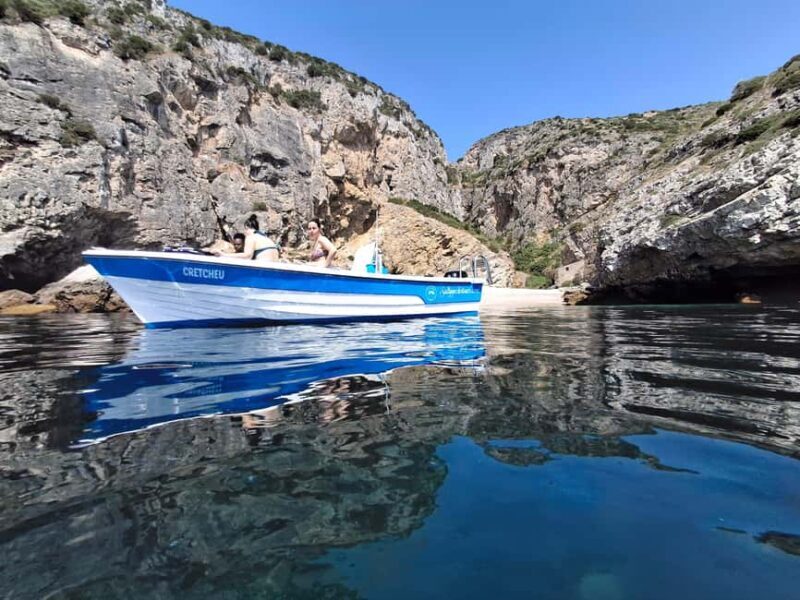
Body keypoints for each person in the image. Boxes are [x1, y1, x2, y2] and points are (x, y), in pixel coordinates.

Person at [214, 215, 279, 262]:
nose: (244, 232)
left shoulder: (251, 237)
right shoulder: (265, 238)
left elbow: (247, 256)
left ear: (247, 227)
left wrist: (224, 255)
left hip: (262, 270)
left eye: (245, 229)